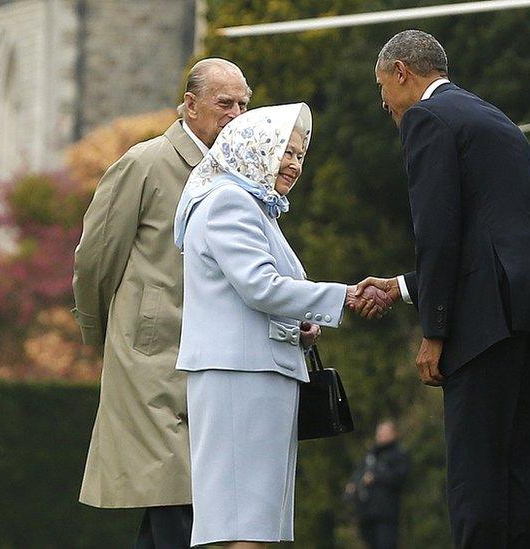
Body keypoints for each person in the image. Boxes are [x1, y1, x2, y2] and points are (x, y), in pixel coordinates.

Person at [357, 30, 530, 549]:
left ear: (402, 73)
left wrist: (435, 331)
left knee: (477, 484)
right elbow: (488, 237)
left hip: (488, 323)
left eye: (382, 89)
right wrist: (400, 287)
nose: (384, 104)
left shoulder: (425, 118)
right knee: (520, 484)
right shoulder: (497, 119)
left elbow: (438, 233)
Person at [174, 102, 391, 548]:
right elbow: (261, 285)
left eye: (299, 155)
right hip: (240, 377)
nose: (293, 164)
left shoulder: (255, 207)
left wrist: (302, 323)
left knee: (253, 524)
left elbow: (257, 295)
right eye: (284, 152)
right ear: (254, 148)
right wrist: (342, 296)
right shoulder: (229, 201)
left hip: (256, 375)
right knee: (242, 525)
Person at [72, 57, 251, 548]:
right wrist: (104, 332)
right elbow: (95, 259)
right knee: (177, 494)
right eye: (224, 103)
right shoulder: (144, 163)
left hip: (213, 354)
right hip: (153, 356)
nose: (236, 114)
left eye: (243, 104)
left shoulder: (240, 175)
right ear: (190, 105)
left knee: (181, 500)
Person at [346, 420, 410, 549]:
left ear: (393, 433)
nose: (380, 435)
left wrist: (376, 477)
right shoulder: (372, 455)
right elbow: (359, 472)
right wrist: (353, 485)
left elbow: (399, 478)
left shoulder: (398, 454)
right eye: (379, 432)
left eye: (384, 432)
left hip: (386, 513)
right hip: (367, 513)